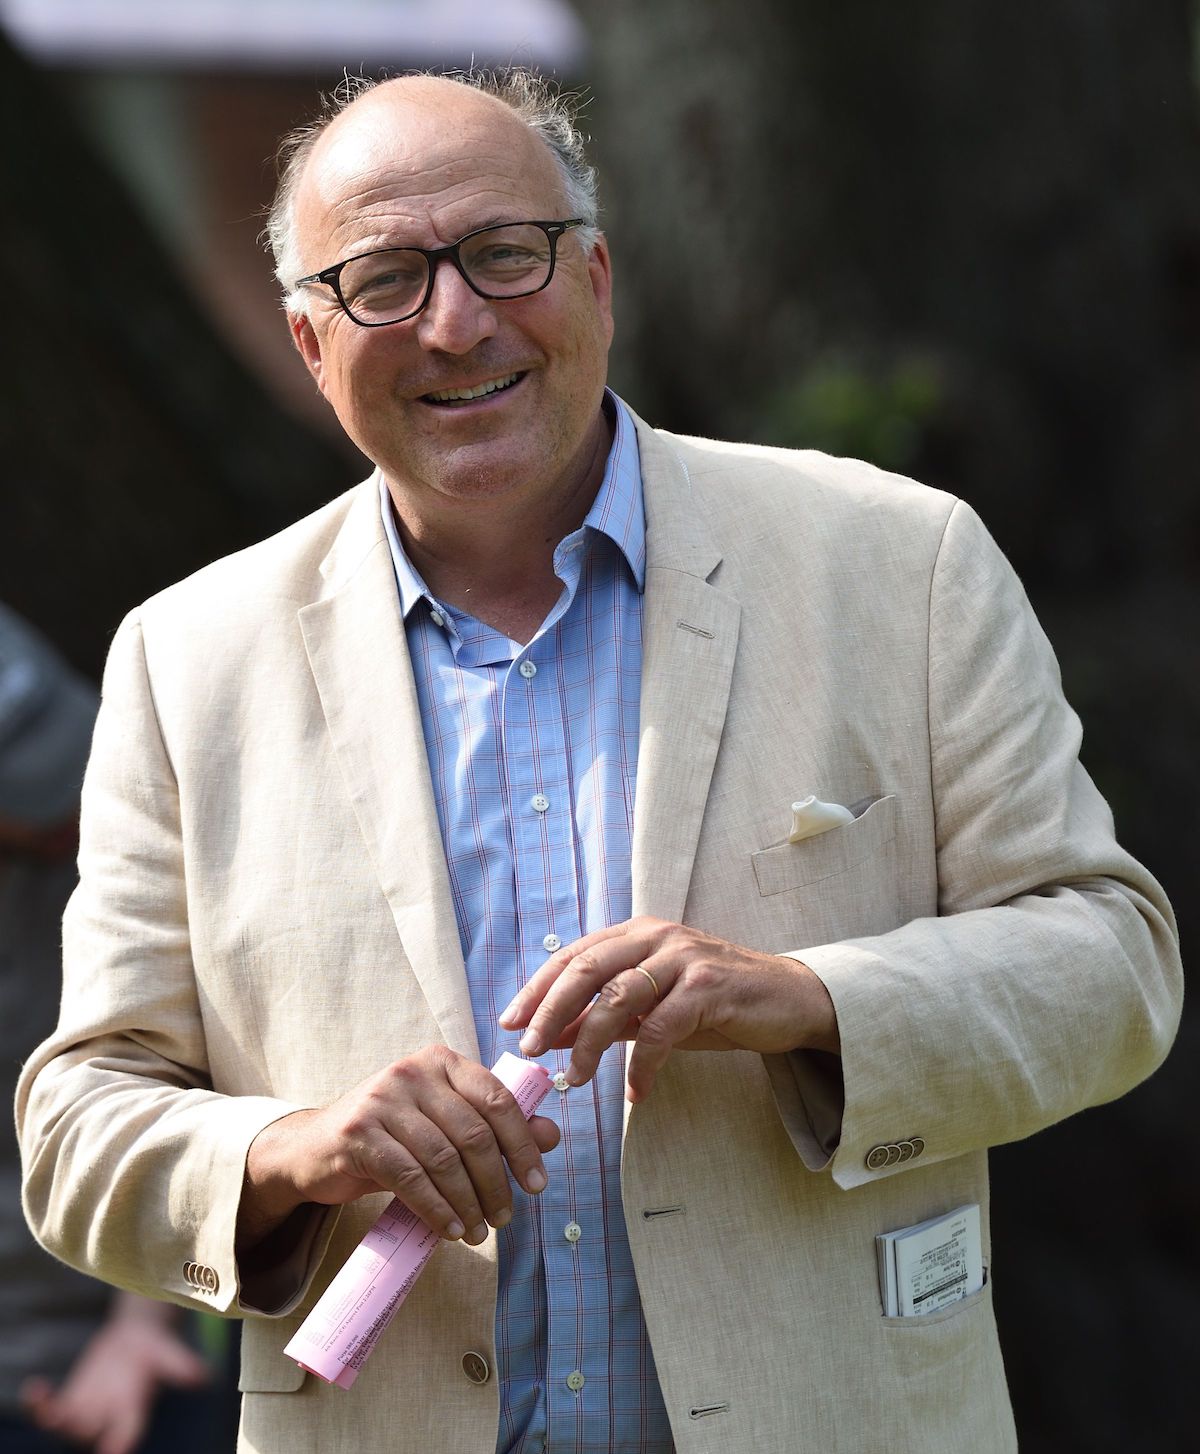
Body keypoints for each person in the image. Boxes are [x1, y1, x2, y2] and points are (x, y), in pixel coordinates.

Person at [17, 70, 1181, 1454]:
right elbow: (77, 1130)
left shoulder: (897, 560)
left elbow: (1113, 966)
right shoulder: (189, 656)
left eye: (505, 253)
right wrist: (294, 1149)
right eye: (384, 280)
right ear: (310, 342)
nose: (456, 321)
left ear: (599, 278)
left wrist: (805, 998)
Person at [0, 605, 217, 1454]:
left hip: (122, 1334)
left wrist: (139, 1326)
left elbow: (175, 1079)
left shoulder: (117, 841)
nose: (72, 804)